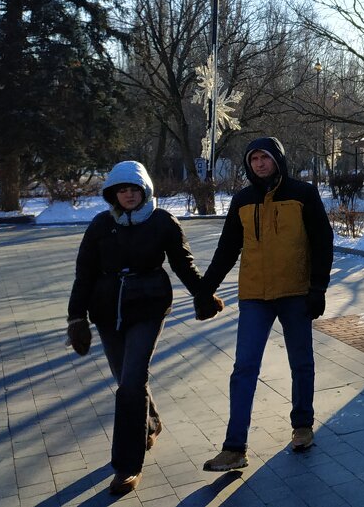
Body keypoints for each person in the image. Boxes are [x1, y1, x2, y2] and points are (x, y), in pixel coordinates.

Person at [66, 161, 223, 496]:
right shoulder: (100, 225)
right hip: (107, 310)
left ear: (145, 190)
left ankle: (127, 466)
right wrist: (76, 317)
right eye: (122, 190)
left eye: (134, 189)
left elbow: (183, 263)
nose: (128, 195)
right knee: (126, 378)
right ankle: (149, 422)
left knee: (131, 382)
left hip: (148, 306)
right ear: (113, 194)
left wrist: (203, 295)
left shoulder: (162, 221)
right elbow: (84, 273)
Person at [198, 137, 334, 472]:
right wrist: (205, 289)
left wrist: (318, 287)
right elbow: (227, 248)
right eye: (254, 159)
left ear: (278, 159)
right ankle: (234, 448)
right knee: (244, 367)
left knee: (301, 362)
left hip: (295, 292)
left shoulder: (303, 194)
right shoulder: (243, 200)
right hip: (254, 296)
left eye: (265, 157)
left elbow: (322, 241)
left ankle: (302, 426)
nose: (259, 164)